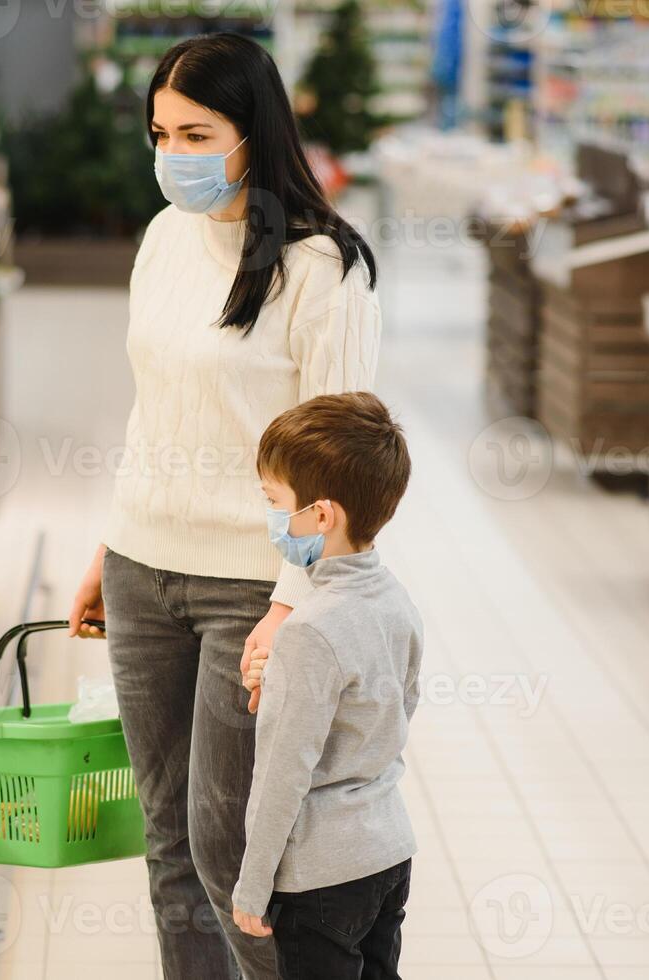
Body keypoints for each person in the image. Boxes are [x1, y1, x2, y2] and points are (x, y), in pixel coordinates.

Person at [65, 32, 382, 980]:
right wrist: (107, 545)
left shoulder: (322, 269)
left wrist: (293, 601)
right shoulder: (164, 239)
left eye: (197, 133)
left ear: (254, 131)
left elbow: (344, 464)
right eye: (161, 133)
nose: (173, 155)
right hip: (141, 565)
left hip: (252, 583)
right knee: (165, 842)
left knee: (233, 854)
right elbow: (155, 408)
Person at [231, 391, 421, 980]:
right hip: (387, 851)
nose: (271, 518)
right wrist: (285, 672)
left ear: (321, 514)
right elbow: (392, 708)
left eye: (275, 502)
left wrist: (251, 884)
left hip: (322, 876)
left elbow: (284, 772)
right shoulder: (395, 600)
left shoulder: (311, 628)